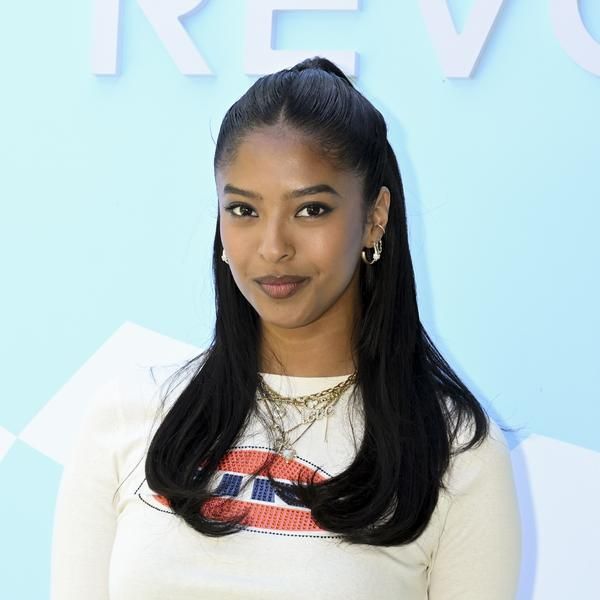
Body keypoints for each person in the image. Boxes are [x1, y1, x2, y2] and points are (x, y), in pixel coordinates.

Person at [51, 56, 521, 599]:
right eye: (244, 211)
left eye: (311, 209)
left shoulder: (453, 452)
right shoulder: (130, 414)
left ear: (375, 216)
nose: (273, 247)